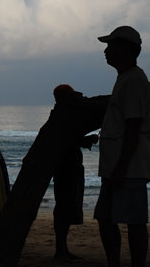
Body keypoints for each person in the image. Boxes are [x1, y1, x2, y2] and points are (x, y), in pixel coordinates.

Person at [94, 26, 150, 267]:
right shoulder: (126, 78)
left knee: (133, 222)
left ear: (126, 50)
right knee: (106, 218)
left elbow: (133, 128)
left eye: (111, 46)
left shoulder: (134, 80)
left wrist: (120, 167)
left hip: (127, 169)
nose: (106, 51)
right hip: (118, 168)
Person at [51, 84, 99, 260]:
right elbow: (69, 140)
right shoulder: (63, 117)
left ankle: (61, 249)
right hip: (67, 170)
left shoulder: (59, 115)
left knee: (64, 208)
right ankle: (60, 250)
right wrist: (88, 139)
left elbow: (69, 139)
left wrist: (84, 140)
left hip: (66, 169)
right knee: (64, 209)